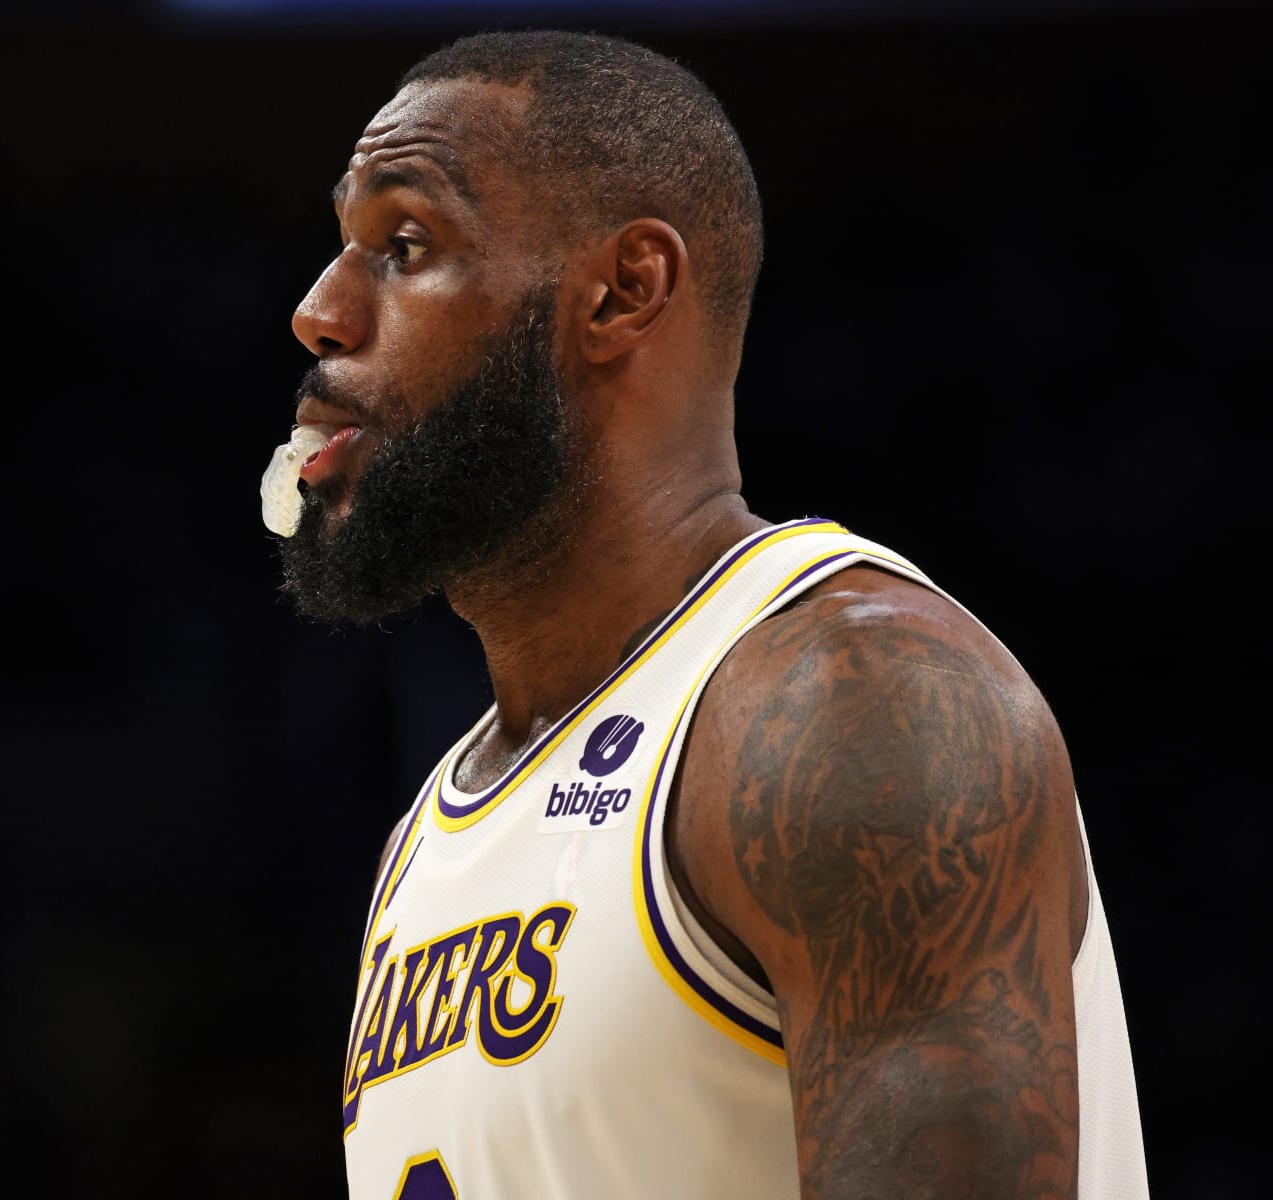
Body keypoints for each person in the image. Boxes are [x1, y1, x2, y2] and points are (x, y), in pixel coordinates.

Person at [266, 29, 1149, 1200]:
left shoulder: (853, 707)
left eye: (406, 244)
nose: (320, 313)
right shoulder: (429, 834)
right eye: (343, 246)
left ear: (623, 292)